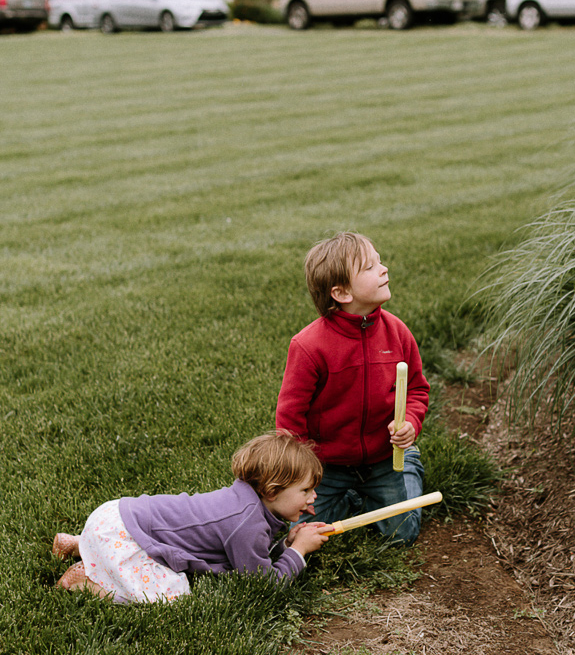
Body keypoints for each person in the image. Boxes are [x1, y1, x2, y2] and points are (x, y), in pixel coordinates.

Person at [52, 430, 332, 602]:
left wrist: (285, 544)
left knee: (145, 546)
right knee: (169, 596)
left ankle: (81, 544)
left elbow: (251, 553)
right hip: (120, 532)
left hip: (115, 516)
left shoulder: (245, 502)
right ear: (272, 490)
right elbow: (264, 584)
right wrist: (299, 551)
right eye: (306, 490)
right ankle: (88, 581)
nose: (313, 497)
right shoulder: (246, 523)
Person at [276, 232, 430, 543]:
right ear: (342, 292)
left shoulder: (397, 333)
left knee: (402, 535)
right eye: (370, 267)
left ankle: (409, 467)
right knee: (299, 533)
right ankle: (356, 497)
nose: (384, 268)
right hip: (327, 464)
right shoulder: (309, 346)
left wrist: (410, 423)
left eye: (380, 261)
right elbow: (290, 419)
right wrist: (302, 475)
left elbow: (417, 390)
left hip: (383, 458)